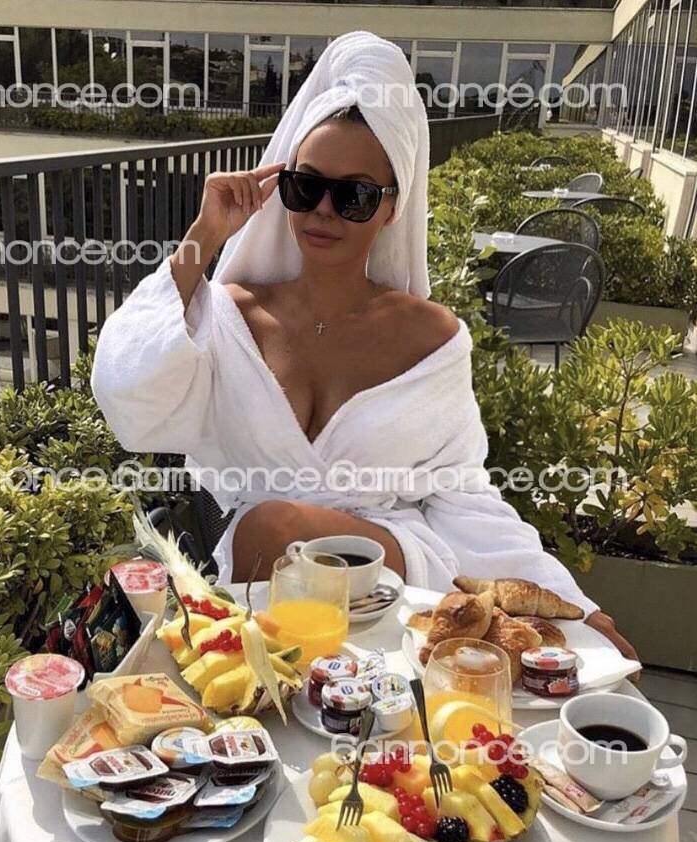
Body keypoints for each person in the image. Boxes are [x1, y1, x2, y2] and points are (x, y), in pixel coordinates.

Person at [91, 31, 637, 662]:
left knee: (279, 528)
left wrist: (567, 602)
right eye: (305, 186)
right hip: (264, 582)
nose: (323, 211)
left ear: (391, 208)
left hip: (393, 579)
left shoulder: (431, 337)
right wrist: (204, 235)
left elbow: (463, 494)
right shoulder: (229, 317)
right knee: (269, 527)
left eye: (354, 195)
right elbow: (127, 399)